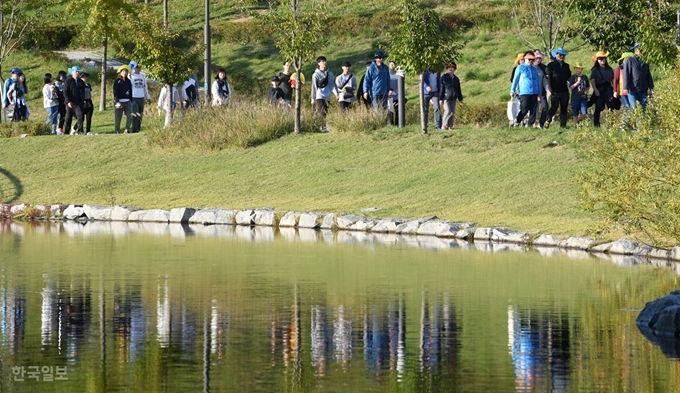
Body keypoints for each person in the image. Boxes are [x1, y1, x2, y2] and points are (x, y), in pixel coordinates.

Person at [509, 51, 540, 127]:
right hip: (524, 91)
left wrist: (539, 92)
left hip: (534, 92)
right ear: (525, 59)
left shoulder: (534, 69)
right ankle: (517, 121)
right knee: (524, 109)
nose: (530, 61)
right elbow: (515, 80)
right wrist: (512, 90)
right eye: (529, 59)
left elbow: (537, 81)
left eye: (532, 60)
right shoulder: (520, 68)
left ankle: (530, 125)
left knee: (533, 109)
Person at [545, 47, 572, 128]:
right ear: (556, 55)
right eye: (560, 54)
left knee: (564, 108)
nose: (562, 56)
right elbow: (548, 77)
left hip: (564, 90)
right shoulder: (551, 65)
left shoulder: (566, 66)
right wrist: (549, 89)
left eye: (563, 55)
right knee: (554, 107)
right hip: (554, 90)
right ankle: (547, 121)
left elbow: (569, 77)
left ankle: (563, 125)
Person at [623, 42, 654, 111]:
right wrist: (625, 87)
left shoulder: (645, 61)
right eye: (639, 49)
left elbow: (648, 75)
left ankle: (641, 122)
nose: (640, 51)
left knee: (643, 108)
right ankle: (630, 122)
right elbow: (626, 74)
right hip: (632, 89)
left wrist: (651, 87)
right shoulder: (629, 60)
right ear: (636, 50)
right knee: (634, 109)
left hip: (643, 88)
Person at [589, 51, 614, 127]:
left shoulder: (609, 69)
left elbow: (613, 80)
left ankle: (611, 124)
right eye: (600, 59)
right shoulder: (595, 70)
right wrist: (595, 90)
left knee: (611, 106)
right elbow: (592, 81)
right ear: (597, 60)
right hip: (599, 89)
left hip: (608, 89)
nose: (602, 60)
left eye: (603, 58)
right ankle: (596, 124)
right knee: (599, 107)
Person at [311, 55, 335, 132]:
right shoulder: (315, 75)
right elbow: (314, 87)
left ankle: (324, 126)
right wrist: (313, 98)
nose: (324, 63)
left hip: (327, 95)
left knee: (326, 111)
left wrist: (336, 94)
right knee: (321, 111)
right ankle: (322, 127)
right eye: (322, 61)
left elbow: (332, 84)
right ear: (318, 63)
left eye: (325, 61)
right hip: (319, 95)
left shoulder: (330, 73)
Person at [438, 62, 464, 130]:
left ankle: (450, 126)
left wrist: (460, 99)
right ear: (447, 68)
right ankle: (444, 125)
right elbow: (441, 88)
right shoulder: (444, 77)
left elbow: (459, 90)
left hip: (453, 98)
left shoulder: (456, 79)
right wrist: (440, 99)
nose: (451, 69)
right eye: (449, 67)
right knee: (448, 111)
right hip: (446, 98)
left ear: (454, 69)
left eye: (452, 67)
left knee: (452, 113)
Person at [528, 50, 549, 129]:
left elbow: (544, 81)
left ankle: (541, 124)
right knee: (534, 109)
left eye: (540, 58)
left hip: (541, 92)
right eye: (537, 58)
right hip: (532, 92)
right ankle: (531, 124)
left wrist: (548, 90)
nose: (538, 59)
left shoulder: (541, 69)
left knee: (545, 107)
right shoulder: (529, 69)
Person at [129, 61, 151, 133]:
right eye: (137, 68)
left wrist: (148, 97)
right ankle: (134, 128)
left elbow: (145, 87)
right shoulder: (131, 76)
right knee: (135, 112)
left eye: (139, 67)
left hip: (141, 97)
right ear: (134, 68)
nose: (138, 69)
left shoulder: (142, 76)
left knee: (140, 113)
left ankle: (138, 127)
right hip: (134, 97)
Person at [63, 66, 85, 134]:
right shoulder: (68, 81)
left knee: (81, 116)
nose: (78, 73)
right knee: (68, 118)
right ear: (73, 72)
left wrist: (82, 100)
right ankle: (66, 131)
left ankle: (80, 130)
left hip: (78, 103)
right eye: (76, 71)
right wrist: (68, 101)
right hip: (70, 103)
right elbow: (65, 91)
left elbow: (82, 92)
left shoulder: (81, 81)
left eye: (78, 71)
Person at [113, 64, 133, 134]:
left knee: (130, 116)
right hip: (119, 102)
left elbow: (130, 91)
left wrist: (131, 100)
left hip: (127, 102)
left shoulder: (128, 81)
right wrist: (117, 102)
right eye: (123, 71)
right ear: (120, 72)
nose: (124, 73)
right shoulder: (117, 81)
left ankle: (127, 129)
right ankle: (117, 131)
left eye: (126, 71)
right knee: (118, 118)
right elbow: (115, 93)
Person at [422, 67, 442, 131]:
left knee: (437, 108)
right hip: (426, 93)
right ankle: (424, 125)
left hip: (435, 92)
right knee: (425, 109)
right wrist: (426, 86)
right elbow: (422, 79)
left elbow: (439, 80)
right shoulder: (425, 70)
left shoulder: (437, 71)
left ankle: (438, 125)